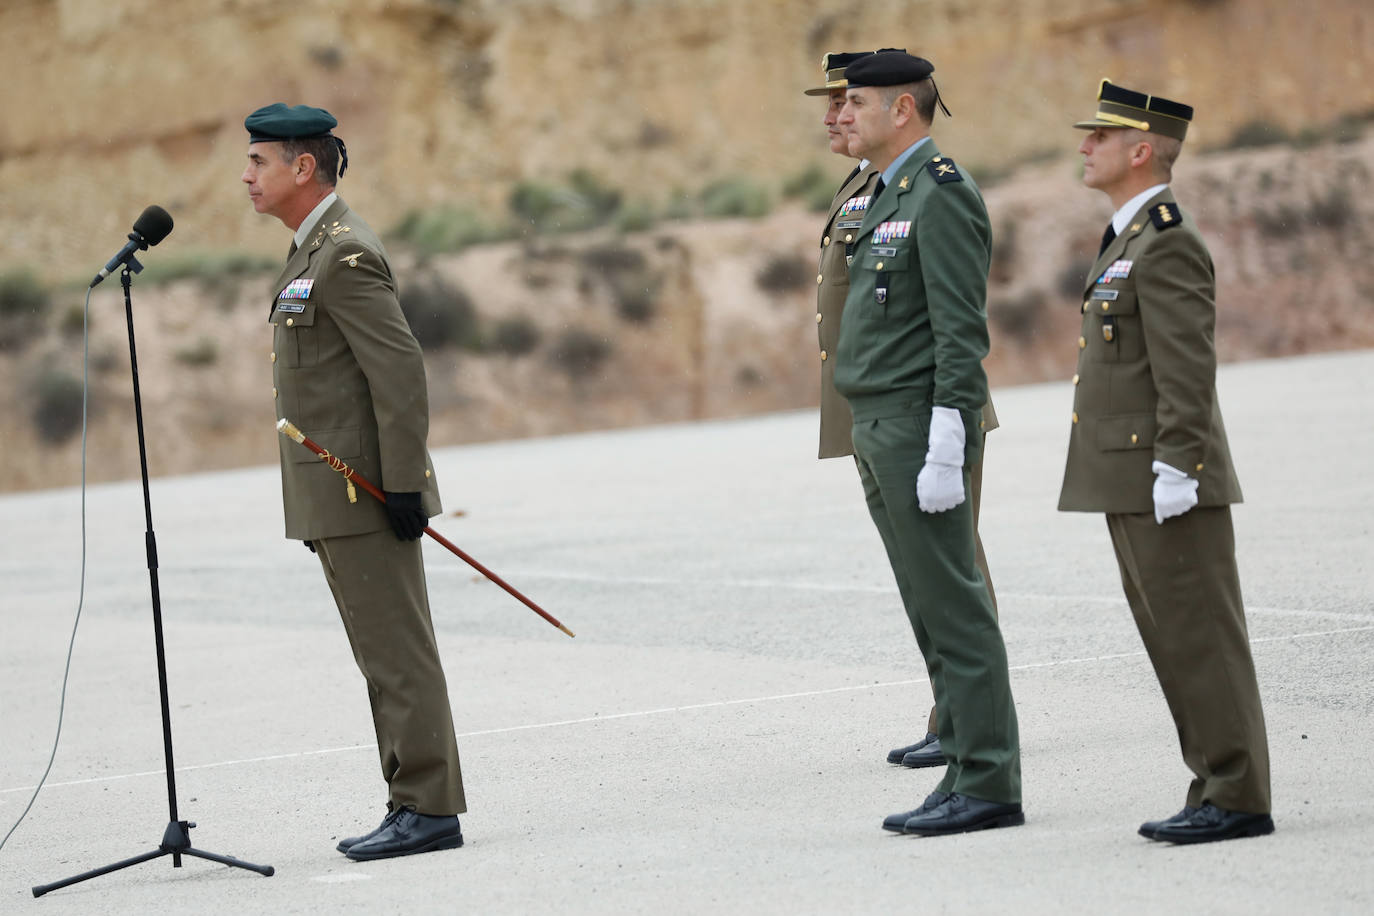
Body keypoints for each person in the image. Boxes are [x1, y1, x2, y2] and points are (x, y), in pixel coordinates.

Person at [241, 103, 467, 861]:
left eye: (258, 162)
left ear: (303, 168)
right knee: (379, 655)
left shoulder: (345, 253)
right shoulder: (310, 250)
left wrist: (403, 486)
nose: (247, 176)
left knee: (398, 653)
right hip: (333, 495)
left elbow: (398, 372)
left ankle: (430, 808)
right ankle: (410, 800)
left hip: (366, 492)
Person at [1060, 80, 1273, 844]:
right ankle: (1214, 782)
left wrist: (1179, 465)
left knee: (1201, 636)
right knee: (1173, 637)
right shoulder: (1128, 236)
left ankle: (1239, 794)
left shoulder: (1167, 238)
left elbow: (1189, 368)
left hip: (1165, 475)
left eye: (1100, 136)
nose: (1084, 145)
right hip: (1132, 472)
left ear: (1140, 150)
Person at [832, 51, 1021, 835]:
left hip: (917, 422)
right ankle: (963, 767)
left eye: (856, 101)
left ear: (901, 109)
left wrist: (950, 433)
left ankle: (989, 781)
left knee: (955, 603)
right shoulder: (887, 191)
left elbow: (959, 330)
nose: (839, 114)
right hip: (878, 420)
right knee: (927, 604)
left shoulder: (940, 194)